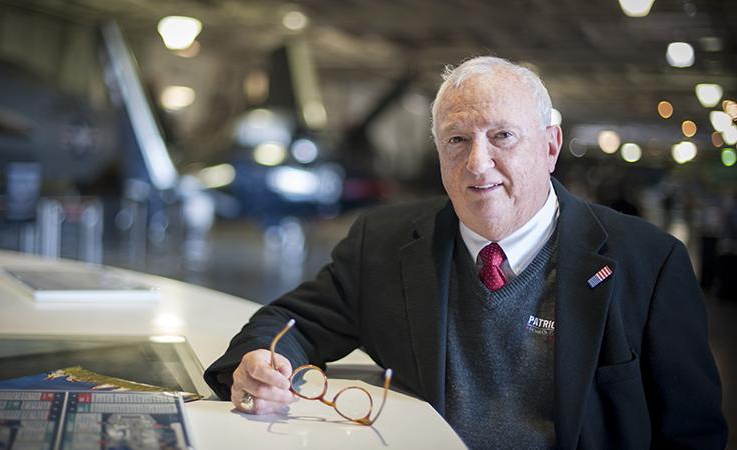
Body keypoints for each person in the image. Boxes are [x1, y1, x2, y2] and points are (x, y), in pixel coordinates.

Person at [205, 56, 727, 448]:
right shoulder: (385, 244)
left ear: (549, 147)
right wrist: (262, 362)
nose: (478, 164)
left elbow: (692, 435)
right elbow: (288, 323)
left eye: (502, 136)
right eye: (457, 140)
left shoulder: (649, 263)